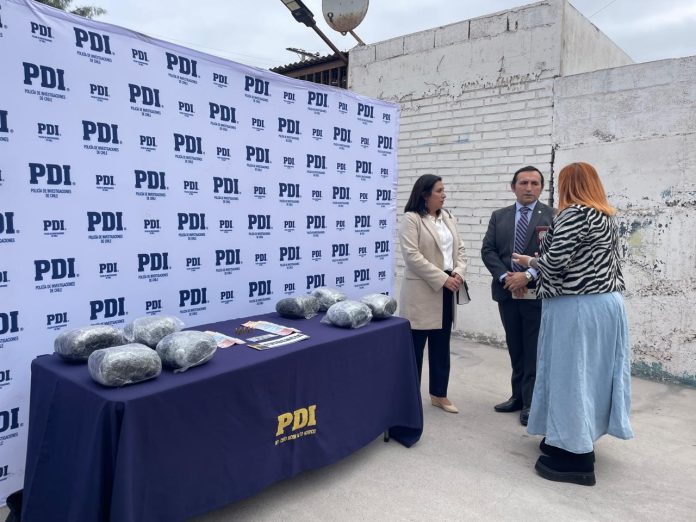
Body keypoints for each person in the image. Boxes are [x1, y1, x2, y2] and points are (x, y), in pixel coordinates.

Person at [512, 162, 633, 486]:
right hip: (605, 304)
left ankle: (576, 459)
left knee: (570, 377)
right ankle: (572, 438)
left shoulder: (574, 214)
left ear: (569, 184)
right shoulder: (605, 215)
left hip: (578, 304)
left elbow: (554, 265)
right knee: (591, 377)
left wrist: (528, 263)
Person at [481, 166, 554, 426]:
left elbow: (554, 256)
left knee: (533, 350)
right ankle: (517, 396)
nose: (529, 188)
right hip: (507, 292)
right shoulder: (499, 216)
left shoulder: (553, 216)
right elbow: (488, 251)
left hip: (536, 294)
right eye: (523, 182)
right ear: (513, 187)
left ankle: (531, 403)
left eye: (535, 183)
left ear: (541, 187)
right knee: (515, 346)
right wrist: (507, 278)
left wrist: (528, 276)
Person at [399, 174, 467, 414]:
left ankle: (439, 394)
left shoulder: (448, 217)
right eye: (439, 190)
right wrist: (443, 278)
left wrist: (458, 272)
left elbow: (460, 249)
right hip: (422, 291)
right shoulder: (412, 219)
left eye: (443, 190)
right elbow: (412, 256)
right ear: (425, 194)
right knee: (415, 349)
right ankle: (408, 400)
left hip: (448, 288)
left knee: (441, 345)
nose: (444, 195)